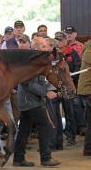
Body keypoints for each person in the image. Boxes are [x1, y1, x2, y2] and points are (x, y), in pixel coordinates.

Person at [13, 37, 60, 167]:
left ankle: (18, 159)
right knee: (45, 126)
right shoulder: (30, 63)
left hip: (29, 101)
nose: (47, 49)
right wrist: (46, 93)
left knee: (24, 130)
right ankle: (46, 158)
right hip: (31, 101)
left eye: (47, 46)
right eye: (44, 46)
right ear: (36, 48)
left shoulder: (36, 61)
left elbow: (40, 81)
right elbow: (30, 85)